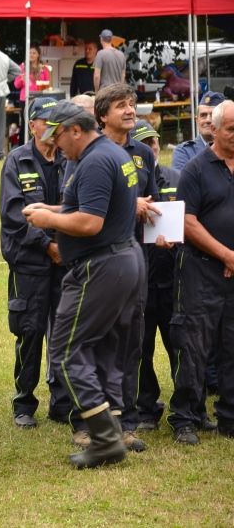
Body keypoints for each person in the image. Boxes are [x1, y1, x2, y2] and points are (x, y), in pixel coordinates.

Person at [23, 100, 145, 469]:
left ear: (76, 130)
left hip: (101, 266)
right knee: (103, 347)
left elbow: (91, 223)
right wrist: (54, 209)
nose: (56, 145)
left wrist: (48, 218)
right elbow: (96, 207)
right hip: (123, 259)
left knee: (66, 351)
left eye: (58, 136)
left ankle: (105, 438)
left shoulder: (93, 161)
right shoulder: (111, 153)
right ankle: (112, 428)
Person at [0, 97, 72, 429]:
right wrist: (47, 246)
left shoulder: (70, 160)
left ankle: (62, 401)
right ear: (32, 125)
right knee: (30, 331)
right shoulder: (17, 160)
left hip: (65, 262)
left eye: (57, 121)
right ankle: (24, 402)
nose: (52, 127)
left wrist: (64, 246)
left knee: (64, 332)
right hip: (29, 261)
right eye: (47, 120)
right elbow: (14, 216)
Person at [94, 83, 158, 452]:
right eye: (121, 106)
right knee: (99, 342)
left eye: (132, 104)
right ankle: (93, 424)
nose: (131, 111)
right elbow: (83, 209)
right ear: (103, 116)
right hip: (101, 263)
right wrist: (128, 206)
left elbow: (156, 197)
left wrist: (161, 227)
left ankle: (127, 422)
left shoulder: (143, 154)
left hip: (137, 262)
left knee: (132, 343)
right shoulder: (91, 153)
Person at [168, 100, 234, 445]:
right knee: (194, 344)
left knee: (232, 345)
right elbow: (186, 221)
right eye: (230, 130)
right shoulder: (196, 168)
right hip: (201, 271)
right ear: (215, 129)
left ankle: (229, 416)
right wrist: (225, 255)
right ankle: (186, 417)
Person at [127, 120, 183, 432]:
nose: (151, 148)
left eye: (154, 142)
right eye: (144, 143)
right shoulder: (129, 186)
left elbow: (189, 219)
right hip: (142, 276)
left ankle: (186, 406)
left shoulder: (177, 177)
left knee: (179, 344)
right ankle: (146, 407)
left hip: (172, 274)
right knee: (142, 347)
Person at [172, 91, 225, 171]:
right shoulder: (184, 152)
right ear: (197, 120)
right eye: (203, 115)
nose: (208, 120)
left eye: (213, 115)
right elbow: (181, 182)